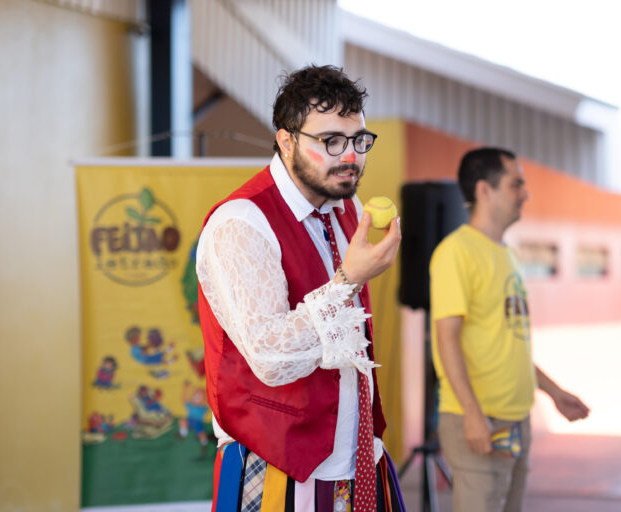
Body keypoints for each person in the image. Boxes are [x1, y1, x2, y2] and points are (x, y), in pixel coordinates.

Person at [196, 65, 405, 512]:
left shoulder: (348, 205)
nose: (350, 156)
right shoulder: (241, 222)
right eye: (330, 141)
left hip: (357, 455)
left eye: (358, 140)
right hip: (277, 464)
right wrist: (348, 280)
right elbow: (270, 357)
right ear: (287, 141)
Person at [429, 147, 590, 512]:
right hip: (481, 421)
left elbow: (508, 346)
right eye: (516, 184)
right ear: (484, 190)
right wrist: (472, 413)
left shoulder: (508, 255)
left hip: (517, 420)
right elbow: (446, 340)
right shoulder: (456, 252)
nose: (525, 193)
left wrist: (553, 392)